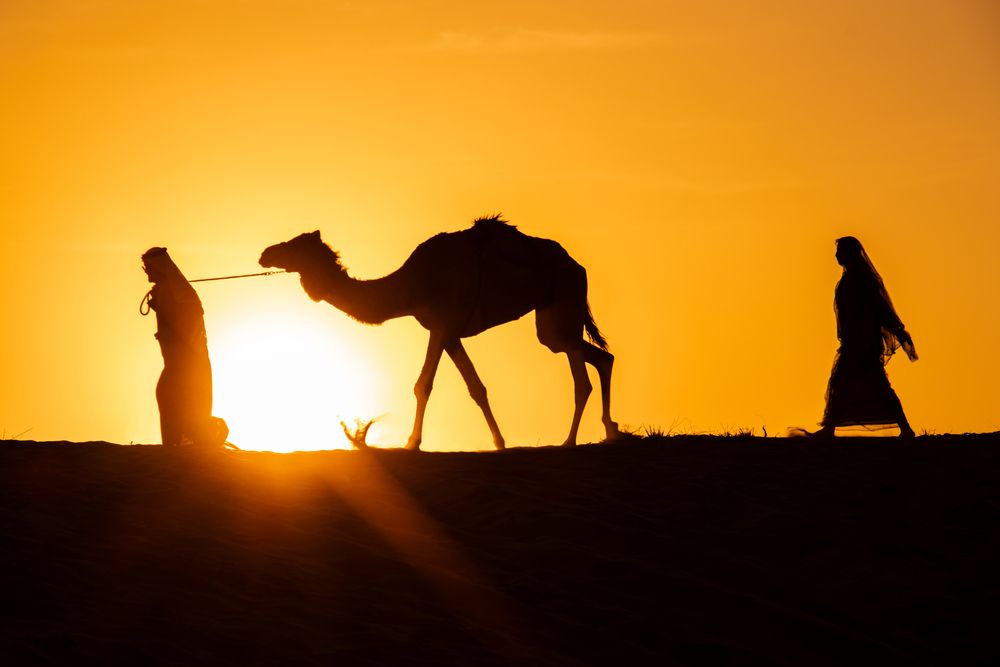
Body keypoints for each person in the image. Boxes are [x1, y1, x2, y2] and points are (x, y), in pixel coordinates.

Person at [816, 236, 918, 438]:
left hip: (864, 342)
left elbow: (880, 308)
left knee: (870, 383)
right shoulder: (850, 278)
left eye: (840, 251)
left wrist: (899, 331)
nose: (836, 255)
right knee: (842, 382)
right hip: (854, 341)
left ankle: (906, 428)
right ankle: (830, 427)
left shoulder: (862, 279)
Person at [141, 247, 227, 447]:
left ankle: (195, 444)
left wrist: (163, 312)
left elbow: (188, 319)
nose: (146, 271)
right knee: (173, 409)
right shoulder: (167, 291)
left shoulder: (179, 292)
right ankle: (180, 448)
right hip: (175, 367)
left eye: (149, 267)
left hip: (187, 367)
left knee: (187, 411)